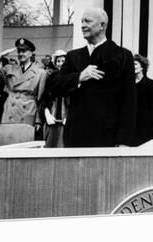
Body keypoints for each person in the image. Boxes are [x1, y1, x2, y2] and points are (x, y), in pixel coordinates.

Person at [50, 8, 136, 147]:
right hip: (76, 136)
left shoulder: (123, 56)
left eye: (88, 21)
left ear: (102, 25)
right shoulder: (73, 56)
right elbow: (55, 87)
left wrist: (123, 141)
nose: (82, 25)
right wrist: (78, 77)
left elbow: (129, 101)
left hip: (108, 137)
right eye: (81, 21)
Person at [0, 38, 47, 136]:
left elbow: (41, 99)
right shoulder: (9, 68)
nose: (21, 54)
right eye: (19, 51)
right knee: (7, 142)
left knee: (23, 142)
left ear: (31, 53)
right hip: (10, 109)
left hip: (27, 111)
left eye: (24, 51)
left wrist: (38, 120)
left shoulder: (40, 73)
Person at [39, 49, 68, 148]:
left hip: (66, 120)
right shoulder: (51, 78)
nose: (60, 64)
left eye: (63, 61)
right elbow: (45, 98)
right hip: (52, 119)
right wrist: (47, 113)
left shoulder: (72, 77)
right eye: (58, 61)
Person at [131, 54, 153, 146]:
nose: (132, 66)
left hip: (146, 125)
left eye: (135, 64)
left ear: (142, 67)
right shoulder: (128, 84)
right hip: (131, 124)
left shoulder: (151, 84)